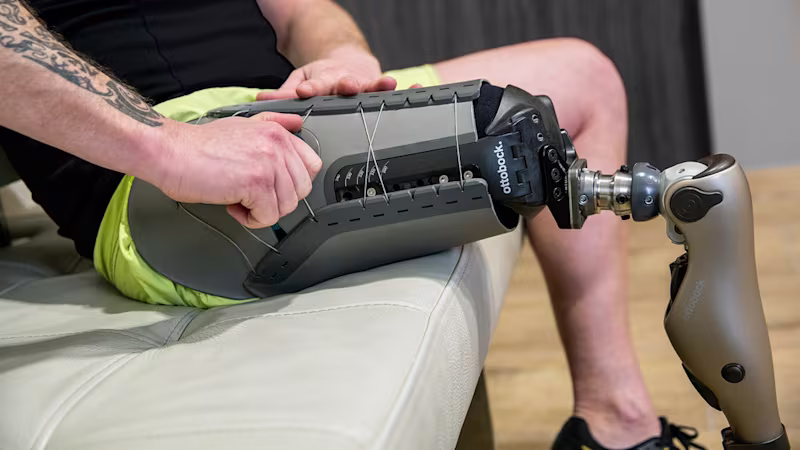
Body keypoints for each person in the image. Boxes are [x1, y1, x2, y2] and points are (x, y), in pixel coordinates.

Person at [0, 0, 701, 448]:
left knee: (582, 78)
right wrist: (170, 147)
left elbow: (303, 11)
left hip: (287, 111)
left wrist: (341, 58)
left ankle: (612, 421)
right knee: (505, 142)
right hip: (162, 172)